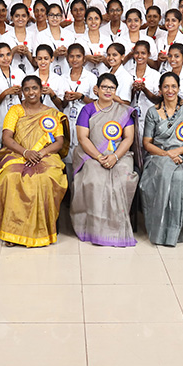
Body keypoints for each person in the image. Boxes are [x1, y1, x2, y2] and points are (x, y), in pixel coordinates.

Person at [0, 76, 68, 247]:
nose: (31, 92)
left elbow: (59, 142)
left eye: (34, 88)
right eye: (27, 89)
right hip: (17, 154)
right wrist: (25, 152)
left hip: (46, 156)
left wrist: (40, 153)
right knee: (10, 177)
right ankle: (11, 233)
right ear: (22, 92)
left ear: (41, 90)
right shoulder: (15, 111)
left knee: (45, 178)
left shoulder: (52, 113)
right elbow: (7, 138)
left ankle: (42, 231)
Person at [139, 72, 183, 246]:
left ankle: (182, 229)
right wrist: (167, 154)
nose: (170, 90)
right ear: (160, 89)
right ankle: (163, 228)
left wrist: (178, 151)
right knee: (165, 173)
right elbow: (147, 143)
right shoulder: (152, 113)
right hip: (160, 154)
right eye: (166, 86)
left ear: (179, 88)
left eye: (173, 86)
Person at [70, 73, 139, 247]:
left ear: (116, 90)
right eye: (104, 87)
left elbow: (128, 138)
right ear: (97, 89)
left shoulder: (123, 111)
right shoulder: (87, 110)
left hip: (119, 155)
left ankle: (116, 228)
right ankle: (94, 229)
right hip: (91, 154)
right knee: (94, 179)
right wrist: (100, 157)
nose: (108, 91)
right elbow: (83, 138)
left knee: (122, 179)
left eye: (112, 88)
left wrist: (115, 157)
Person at [0, 43, 25, 165]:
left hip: (19, 118)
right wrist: (5, 93)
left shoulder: (19, 73)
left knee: (18, 157)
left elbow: (26, 100)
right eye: (1, 56)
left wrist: (19, 94)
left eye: (8, 54)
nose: (5, 58)